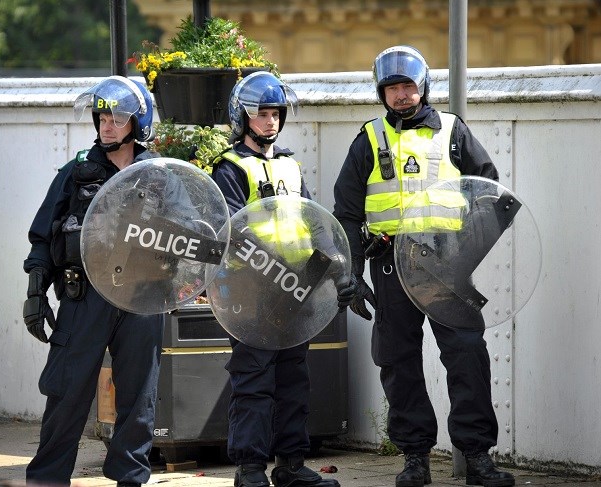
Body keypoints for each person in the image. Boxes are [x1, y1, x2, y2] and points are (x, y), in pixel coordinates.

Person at [332, 46, 516, 487]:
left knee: (467, 357)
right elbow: (347, 213)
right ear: (382, 92)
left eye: (407, 86)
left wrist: (467, 252)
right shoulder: (369, 139)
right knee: (398, 362)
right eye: (392, 88)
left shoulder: (453, 130)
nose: (400, 95)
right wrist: (351, 277)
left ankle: (477, 457)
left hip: (446, 267)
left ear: (423, 86)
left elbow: (492, 196)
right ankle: (414, 457)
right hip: (392, 266)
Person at [212, 71, 353, 487]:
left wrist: (337, 270)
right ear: (243, 118)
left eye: (275, 114)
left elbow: (316, 224)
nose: (270, 122)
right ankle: (251, 469)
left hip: (295, 289)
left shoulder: (291, 166)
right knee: (254, 381)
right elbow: (234, 232)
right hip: (253, 291)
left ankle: (291, 465)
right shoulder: (230, 167)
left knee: (294, 378)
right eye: (261, 114)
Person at [22, 75, 164, 487]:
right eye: (102, 116)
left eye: (117, 118)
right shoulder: (76, 172)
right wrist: (35, 291)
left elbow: (186, 237)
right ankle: (47, 479)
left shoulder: (157, 175)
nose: (106, 125)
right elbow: (43, 236)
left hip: (140, 299)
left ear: (138, 123)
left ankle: (130, 477)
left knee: (140, 397)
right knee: (67, 392)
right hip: (83, 297)